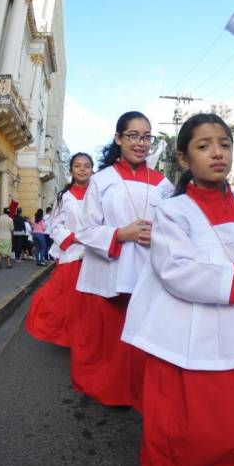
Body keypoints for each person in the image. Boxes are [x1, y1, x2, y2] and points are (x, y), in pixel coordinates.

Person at [123, 113, 234, 466]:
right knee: (202, 435)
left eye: (224, 144)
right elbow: (177, 271)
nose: (217, 153)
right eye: (203, 146)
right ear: (183, 159)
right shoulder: (172, 211)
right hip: (198, 338)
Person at [73, 111, 174, 411]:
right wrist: (120, 233)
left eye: (146, 137)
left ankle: (141, 392)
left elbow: (174, 226)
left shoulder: (163, 184)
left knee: (143, 339)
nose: (141, 143)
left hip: (149, 270)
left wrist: (158, 233)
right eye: (133, 136)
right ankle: (113, 392)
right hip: (112, 271)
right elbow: (85, 229)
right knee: (113, 342)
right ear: (118, 138)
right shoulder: (100, 180)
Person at [26, 153, 94, 346]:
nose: (82, 169)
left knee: (90, 303)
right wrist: (76, 238)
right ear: (71, 170)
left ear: (92, 170)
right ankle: (68, 336)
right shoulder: (63, 197)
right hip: (72, 254)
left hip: (95, 254)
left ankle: (86, 338)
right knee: (66, 302)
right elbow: (55, 226)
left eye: (87, 166)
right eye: (78, 166)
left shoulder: (99, 195)